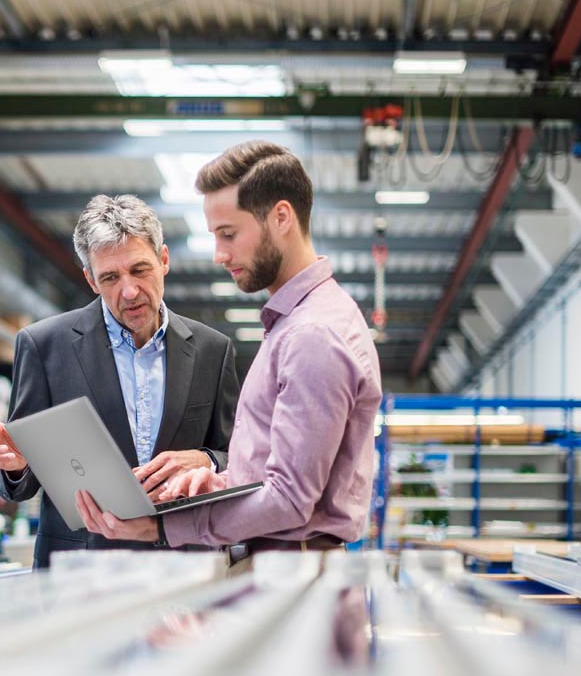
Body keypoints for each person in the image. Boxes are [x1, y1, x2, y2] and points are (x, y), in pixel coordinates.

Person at [75, 141, 383, 572]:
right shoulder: (294, 324)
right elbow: (277, 477)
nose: (219, 255)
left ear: (281, 218)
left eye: (229, 234)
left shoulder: (312, 334)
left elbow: (290, 500)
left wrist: (161, 527)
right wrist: (221, 482)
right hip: (281, 567)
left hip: (290, 572)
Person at [0, 194, 239, 569]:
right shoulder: (44, 347)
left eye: (140, 270)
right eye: (111, 278)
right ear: (90, 279)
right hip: (80, 570)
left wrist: (207, 460)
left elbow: (240, 458)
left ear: (164, 260)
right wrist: (17, 464)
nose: (129, 291)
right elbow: (20, 483)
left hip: (183, 565)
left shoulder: (213, 350)